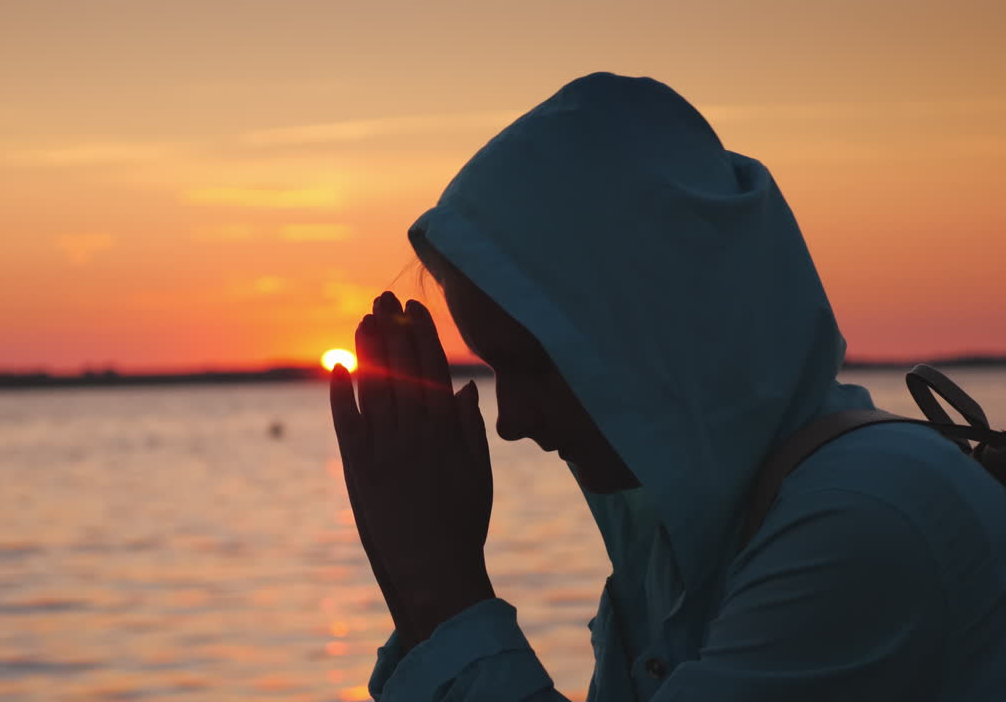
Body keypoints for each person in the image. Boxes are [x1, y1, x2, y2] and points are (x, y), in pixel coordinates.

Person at [327, 72, 1006, 701]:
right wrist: (409, 575)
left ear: (648, 332)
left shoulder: (861, 519)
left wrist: (439, 580)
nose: (511, 421)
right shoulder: (688, 549)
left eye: (533, 362)